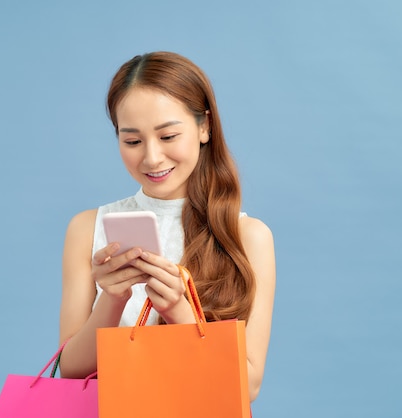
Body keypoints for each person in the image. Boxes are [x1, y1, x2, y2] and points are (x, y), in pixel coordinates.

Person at [58, 51, 276, 402]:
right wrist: (113, 300)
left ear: (204, 127)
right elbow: (70, 371)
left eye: (168, 136)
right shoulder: (88, 228)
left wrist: (179, 312)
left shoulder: (249, 237)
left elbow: (246, 388)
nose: (151, 157)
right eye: (132, 141)